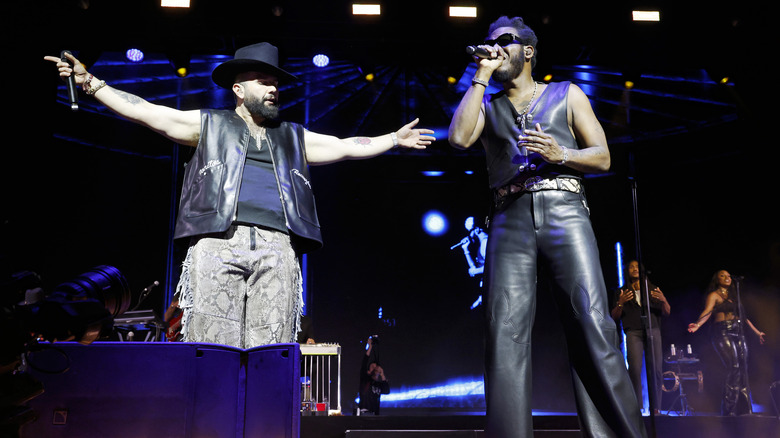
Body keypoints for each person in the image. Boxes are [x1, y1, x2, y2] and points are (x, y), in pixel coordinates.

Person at [45, 43, 435, 350]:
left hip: (277, 246)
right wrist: (91, 83)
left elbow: (345, 145)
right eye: (263, 81)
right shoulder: (209, 124)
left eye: (276, 83)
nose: (273, 88)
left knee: (272, 348)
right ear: (238, 88)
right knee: (215, 347)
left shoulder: (293, 135)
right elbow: (147, 111)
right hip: (217, 242)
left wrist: (392, 140)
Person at [448, 16, 647, 437]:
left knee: (592, 323)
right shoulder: (487, 102)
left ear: (528, 50)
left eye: (505, 41)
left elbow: (603, 157)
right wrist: (480, 77)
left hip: (565, 211)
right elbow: (459, 139)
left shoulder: (566, 93)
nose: (495, 48)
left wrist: (561, 153)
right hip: (509, 217)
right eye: (488, 43)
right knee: (504, 332)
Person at [687, 269, 766, 416]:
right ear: (717, 280)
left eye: (728, 276)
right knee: (733, 366)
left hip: (738, 331)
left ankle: (745, 409)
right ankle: (730, 408)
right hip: (723, 332)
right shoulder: (714, 295)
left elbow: (744, 317)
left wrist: (757, 332)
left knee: (743, 369)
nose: (727, 278)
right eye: (722, 276)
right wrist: (697, 324)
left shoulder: (734, 296)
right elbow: (708, 311)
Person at [611, 260, 670, 414]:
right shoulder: (622, 292)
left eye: (637, 267)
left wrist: (663, 300)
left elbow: (667, 311)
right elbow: (614, 316)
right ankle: (636, 407)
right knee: (635, 370)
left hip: (653, 330)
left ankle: (656, 408)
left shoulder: (652, 289)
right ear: (627, 271)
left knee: (656, 369)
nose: (634, 269)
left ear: (642, 270)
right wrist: (620, 303)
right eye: (631, 267)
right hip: (633, 332)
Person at [358, 335, 390, 415]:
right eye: (373, 367)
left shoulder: (379, 384)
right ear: (368, 371)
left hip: (375, 414)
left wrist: (382, 374)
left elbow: (386, 391)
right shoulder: (365, 379)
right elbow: (364, 362)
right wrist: (370, 347)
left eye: (376, 367)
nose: (375, 368)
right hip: (365, 413)